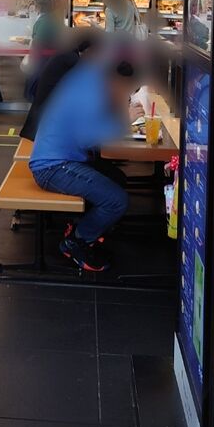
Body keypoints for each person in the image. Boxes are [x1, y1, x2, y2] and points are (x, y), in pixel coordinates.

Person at [28, 56, 141, 272]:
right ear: (117, 81)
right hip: (52, 167)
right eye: (127, 90)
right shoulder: (92, 92)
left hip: (60, 158)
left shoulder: (90, 82)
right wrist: (123, 121)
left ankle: (81, 226)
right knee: (117, 200)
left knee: (116, 178)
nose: (126, 96)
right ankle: (76, 241)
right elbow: (87, 139)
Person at [20, 34, 93, 141]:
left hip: (46, 98)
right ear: (88, 51)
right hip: (48, 103)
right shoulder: (72, 59)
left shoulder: (68, 54)